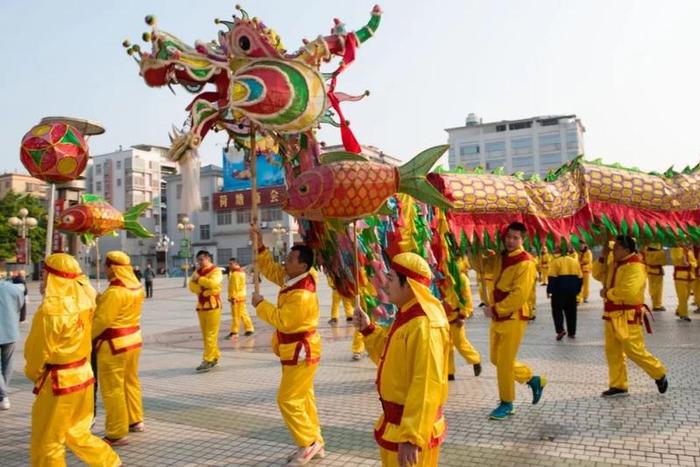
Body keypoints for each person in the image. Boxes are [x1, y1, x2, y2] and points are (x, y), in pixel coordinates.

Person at [354, 252, 450, 466]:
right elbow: (391, 357)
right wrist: (368, 329)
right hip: (396, 426)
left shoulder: (424, 325)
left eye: (391, 278)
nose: (385, 284)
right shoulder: (407, 315)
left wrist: (412, 437)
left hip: (410, 432)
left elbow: (426, 383)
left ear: (409, 285)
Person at [25, 253, 121, 466]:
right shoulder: (86, 302)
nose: (42, 278)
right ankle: (110, 462)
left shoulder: (50, 312)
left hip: (59, 382)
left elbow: (36, 354)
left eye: (44, 272)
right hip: (83, 375)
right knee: (77, 432)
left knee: (48, 440)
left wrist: (34, 375)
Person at [251, 227, 325, 466]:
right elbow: (272, 270)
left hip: (300, 350)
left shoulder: (302, 294)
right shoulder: (296, 279)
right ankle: (316, 441)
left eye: (291, 259)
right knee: (303, 398)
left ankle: (308, 442)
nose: (285, 261)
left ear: (302, 266)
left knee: (288, 399)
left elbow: (284, 320)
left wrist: (261, 304)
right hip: (296, 350)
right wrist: (260, 246)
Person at [592, 236, 668, 397]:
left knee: (633, 349)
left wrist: (608, 293)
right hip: (610, 314)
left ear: (627, 249)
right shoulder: (614, 263)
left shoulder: (636, 266)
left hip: (627, 315)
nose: (614, 250)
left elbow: (630, 293)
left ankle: (658, 372)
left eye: (617, 247)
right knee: (612, 351)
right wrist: (602, 257)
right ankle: (618, 385)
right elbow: (597, 275)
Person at [485, 222, 546, 420]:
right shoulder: (500, 257)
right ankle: (532, 379)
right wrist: (479, 250)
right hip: (498, 317)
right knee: (496, 359)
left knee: (504, 362)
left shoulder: (526, 262)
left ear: (523, 240)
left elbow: (519, 295)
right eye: (508, 236)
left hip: (513, 316)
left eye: (515, 238)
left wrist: (496, 309)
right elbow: (482, 270)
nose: (511, 241)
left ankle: (507, 403)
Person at [93, 251, 146, 446]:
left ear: (112, 267)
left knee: (113, 388)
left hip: (114, 344)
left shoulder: (115, 291)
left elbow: (102, 321)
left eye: (106, 266)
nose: (105, 270)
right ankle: (135, 419)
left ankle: (116, 432)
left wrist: (85, 337)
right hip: (133, 340)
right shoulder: (136, 287)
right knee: (131, 382)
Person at [446, 256, 481, 381]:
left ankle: (475, 359)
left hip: (456, 318)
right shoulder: (441, 279)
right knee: (446, 346)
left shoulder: (462, 279)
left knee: (460, 343)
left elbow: (467, 299)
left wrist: (463, 315)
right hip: (444, 318)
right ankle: (449, 372)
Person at [189, 250, 223, 372]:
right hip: (201, 306)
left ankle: (208, 359)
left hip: (213, 306)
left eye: (202, 259)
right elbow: (191, 285)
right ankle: (215, 356)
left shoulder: (216, 271)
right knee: (206, 335)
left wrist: (200, 280)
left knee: (211, 334)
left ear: (208, 258)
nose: (199, 262)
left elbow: (213, 283)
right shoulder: (197, 272)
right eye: (198, 260)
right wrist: (200, 288)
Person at [547, 246, 583, 340]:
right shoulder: (575, 261)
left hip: (559, 291)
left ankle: (560, 330)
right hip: (572, 291)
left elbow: (552, 278)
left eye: (556, 248)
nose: (554, 249)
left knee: (557, 310)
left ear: (560, 250)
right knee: (572, 312)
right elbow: (580, 278)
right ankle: (572, 332)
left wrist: (549, 291)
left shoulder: (555, 262)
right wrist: (577, 291)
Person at [0, 278, 25, 410]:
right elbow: (20, 305)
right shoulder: (14, 288)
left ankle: (2, 395)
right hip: (10, 330)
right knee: (7, 363)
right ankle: (3, 396)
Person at [227, 258, 254, 338]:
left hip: (237, 298)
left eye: (231, 264)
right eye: (229, 264)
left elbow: (234, 287)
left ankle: (234, 332)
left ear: (236, 264)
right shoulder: (241, 273)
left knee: (236, 315)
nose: (229, 266)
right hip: (241, 296)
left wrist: (233, 298)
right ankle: (249, 328)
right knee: (243, 313)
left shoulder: (235, 274)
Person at [670, 244, 696, 321]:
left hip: (689, 276)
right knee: (682, 297)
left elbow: (694, 262)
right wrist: (683, 256)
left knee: (687, 296)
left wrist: (690, 264)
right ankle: (684, 314)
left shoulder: (690, 252)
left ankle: (679, 310)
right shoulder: (675, 250)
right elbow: (677, 259)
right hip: (680, 277)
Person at [642, 243, 666, 311]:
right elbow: (663, 263)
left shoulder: (646, 251)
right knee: (658, 289)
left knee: (652, 288)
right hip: (657, 271)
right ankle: (657, 305)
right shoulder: (660, 253)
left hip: (649, 270)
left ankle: (654, 302)